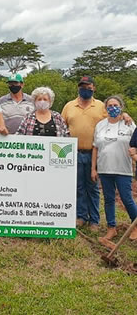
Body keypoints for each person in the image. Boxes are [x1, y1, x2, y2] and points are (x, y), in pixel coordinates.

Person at [62, 76, 131, 231]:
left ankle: (94, 220)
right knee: (78, 186)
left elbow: (115, 117)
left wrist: (125, 115)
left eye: (88, 86)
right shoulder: (69, 106)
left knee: (93, 187)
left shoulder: (100, 106)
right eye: (82, 86)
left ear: (94, 88)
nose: (85, 89)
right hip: (73, 152)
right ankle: (81, 216)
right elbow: (62, 125)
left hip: (94, 153)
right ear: (78, 88)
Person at [91, 95, 137, 241]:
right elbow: (95, 148)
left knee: (127, 198)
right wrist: (94, 168)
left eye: (115, 105)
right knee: (109, 199)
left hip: (123, 169)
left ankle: (135, 226)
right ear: (105, 108)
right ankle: (112, 228)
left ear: (121, 107)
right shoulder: (100, 125)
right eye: (109, 105)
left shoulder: (129, 123)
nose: (112, 108)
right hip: (105, 169)